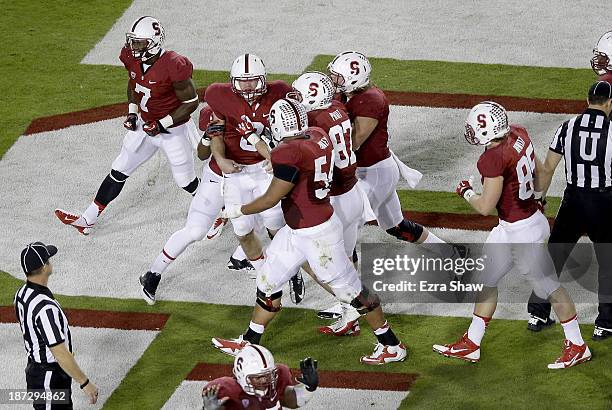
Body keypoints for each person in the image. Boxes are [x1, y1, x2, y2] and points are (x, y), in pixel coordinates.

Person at [211, 98, 407, 365]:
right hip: (298, 230)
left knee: (354, 292)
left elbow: (270, 198)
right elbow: (288, 159)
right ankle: (249, 341)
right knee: (268, 281)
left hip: (318, 236)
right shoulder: (318, 135)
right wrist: (256, 139)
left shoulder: (288, 152)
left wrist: (237, 210)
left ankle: (392, 345)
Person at [433, 102, 591, 369]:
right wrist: (537, 199)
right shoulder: (519, 132)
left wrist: (466, 192)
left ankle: (578, 345)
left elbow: (485, 206)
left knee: (549, 288)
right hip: (518, 225)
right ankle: (472, 342)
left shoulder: (492, 158)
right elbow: (541, 174)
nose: (473, 129)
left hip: (522, 232)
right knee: (487, 278)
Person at [318, 51, 461, 321]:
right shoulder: (345, 95)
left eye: (338, 77)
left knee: (343, 232)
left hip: (372, 173)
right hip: (368, 170)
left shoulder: (371, 100)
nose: (333, 81)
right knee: (396, 226)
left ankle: (351, 302)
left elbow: (354, 142)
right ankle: (450, 253)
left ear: (353, 78)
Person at [55, 16, 200, 235]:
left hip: (174, 128)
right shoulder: (132, 59)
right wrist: (132, 113)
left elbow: (191, 102)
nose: (132, 47)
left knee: (185, 180)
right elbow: (134, 84)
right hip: (145, 123)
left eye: (139, 43)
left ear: (154, 42)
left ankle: (220, 211)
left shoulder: (173, 64)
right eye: (132, 41)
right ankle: (87, 219)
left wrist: (162, 124)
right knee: (120, 168)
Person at [205, 53, 304, 303]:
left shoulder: (281, 90)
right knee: (242, 230)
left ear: (264, 79)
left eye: (253, 81)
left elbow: (296, 126)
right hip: (237, 172)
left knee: (275, 226)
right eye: (242, 81)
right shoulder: (217, 95)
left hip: (264, 169)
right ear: (232, 81)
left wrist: (279, 157)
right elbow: (216, 130)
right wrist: (219, 158)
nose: (248, 87)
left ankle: (292, 272)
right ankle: (266, 279)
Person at [526, 82, 612, 340]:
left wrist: (539, 199)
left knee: (554, 257)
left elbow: (548, 168)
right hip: (603, 202)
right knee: (608, 263)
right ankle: (605, 323)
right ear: (609, 103)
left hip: (573, 200)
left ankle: (538, 312)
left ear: (588, 100)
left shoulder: (567, 127)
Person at [288, 71, 365, 336]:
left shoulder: (313, 120)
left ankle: (357, 309)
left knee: (328, 260)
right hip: (354, 192)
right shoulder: (337, 108)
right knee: (347, 256)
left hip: (336, 199)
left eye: (300, 96)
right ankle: (350, 311)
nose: (296, 100)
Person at [139, 104, 229, 304]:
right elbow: (203, 154)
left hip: (256, 179)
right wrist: (207, 137)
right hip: (218, 177)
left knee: (270, 224)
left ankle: (285, 275)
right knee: (195, 231)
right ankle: (153, 274)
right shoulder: (217, 108)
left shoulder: (269, 108)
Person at [14, 242, 99, 408]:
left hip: (37, 371)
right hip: (49, 378)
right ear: (44, 267)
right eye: (48, 260)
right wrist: (85, 383)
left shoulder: (21, 293)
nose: (51, 262)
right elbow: (59, 352)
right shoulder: (45, 307)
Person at [201, 345, 318, 409]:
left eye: (268, 375)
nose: (265, 381)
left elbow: (291, 401)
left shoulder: (275, 382)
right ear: (242, 375)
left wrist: (308, 389)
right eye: (258, 377)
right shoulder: (230, 391)